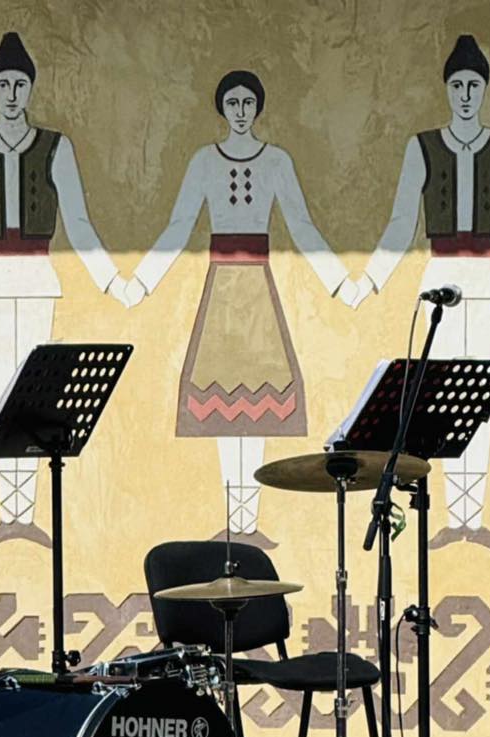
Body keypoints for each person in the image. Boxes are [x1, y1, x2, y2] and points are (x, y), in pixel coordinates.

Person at [349, 33, 490, 548]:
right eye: (457, 85)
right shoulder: (422, 147)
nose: (465, 94)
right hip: (439, 279)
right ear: (446, 89)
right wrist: (369, 280)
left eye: (473, 85)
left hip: (488, 281)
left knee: (478, 400)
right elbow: (400, 222)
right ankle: (451, 515)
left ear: (485, 88)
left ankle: (471, 519)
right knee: (438, 400)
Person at [0, 32, 137, 547]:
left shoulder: (56, 146)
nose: (11, 93)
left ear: (30, 88)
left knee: (33, 394)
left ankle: (27, 513)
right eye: (3, 84)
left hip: (37, 277)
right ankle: (8, 513)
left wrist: (111, 281)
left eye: (19, 84)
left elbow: (79, 220)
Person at [129, 70, 362, 547]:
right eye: (232, 102)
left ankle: (248, 524)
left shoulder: (276, 161)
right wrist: (141, 283)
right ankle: (234, 524)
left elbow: (301, 223)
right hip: (221, 288)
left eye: (247, 102)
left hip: (257, 287)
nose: (240, 111)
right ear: (222, 108)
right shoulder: (204, 161)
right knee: (224, 413)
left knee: (257, 410)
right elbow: (179, 224)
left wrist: (341, 282)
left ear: (258, 107)